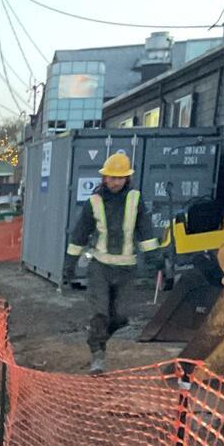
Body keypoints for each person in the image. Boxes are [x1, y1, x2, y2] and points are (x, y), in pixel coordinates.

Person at [63, 152, 160, 375]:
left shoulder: (135, 200)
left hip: (126, 268)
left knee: (121, 316)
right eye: (111, 177)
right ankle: (97, 354)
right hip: (100, 267)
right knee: (100, 313)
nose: (115, 181)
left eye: (120, 177)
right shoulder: (94, 202)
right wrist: (69, 265)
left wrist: (155, 260)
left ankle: (98, 337)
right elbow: (79, 235)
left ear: (127, 179)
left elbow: (146, 233)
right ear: (104, 178)